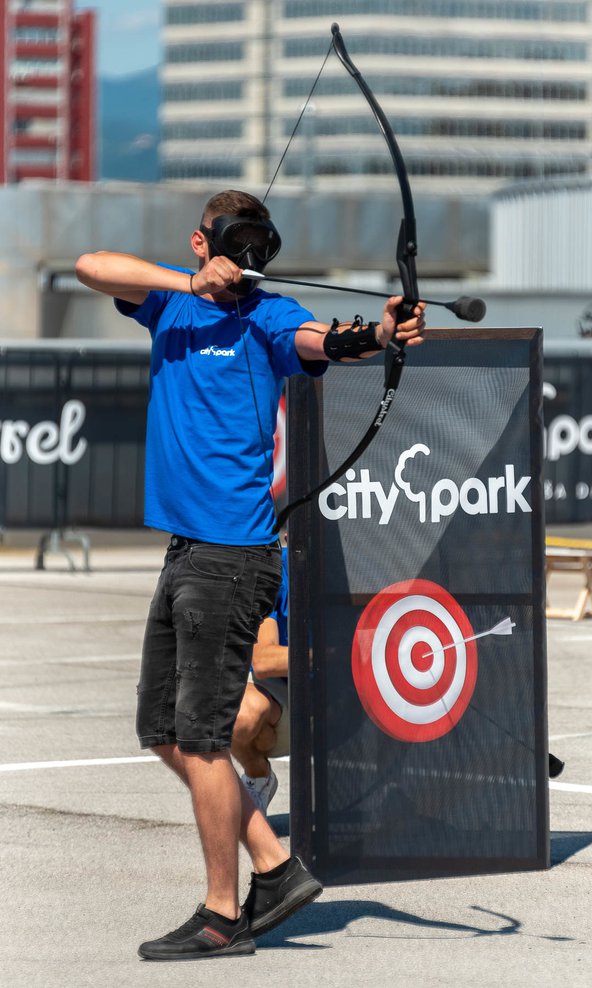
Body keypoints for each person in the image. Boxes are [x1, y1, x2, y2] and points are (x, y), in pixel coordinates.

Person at [75, 189, 426, 962]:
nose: (241, 261)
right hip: (186, 551)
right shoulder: (170, 306)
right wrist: (187, 285)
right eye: (228, 245)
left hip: (231, 559)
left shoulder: (266, 317)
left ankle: (221, 915)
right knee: (163, 730)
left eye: (252, 247)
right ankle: (273, 863)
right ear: (199, 244)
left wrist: (382, 329)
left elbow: (327, 340)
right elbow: (89, 265)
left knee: (200, 738)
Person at [232, 544, 290, 816]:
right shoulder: (277, 574)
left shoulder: (358, 571)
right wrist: (331, 656)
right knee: (235, 713)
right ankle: (258, 777)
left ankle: (393, 790)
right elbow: (264, 660)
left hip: (350, 701)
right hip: (291, 700)